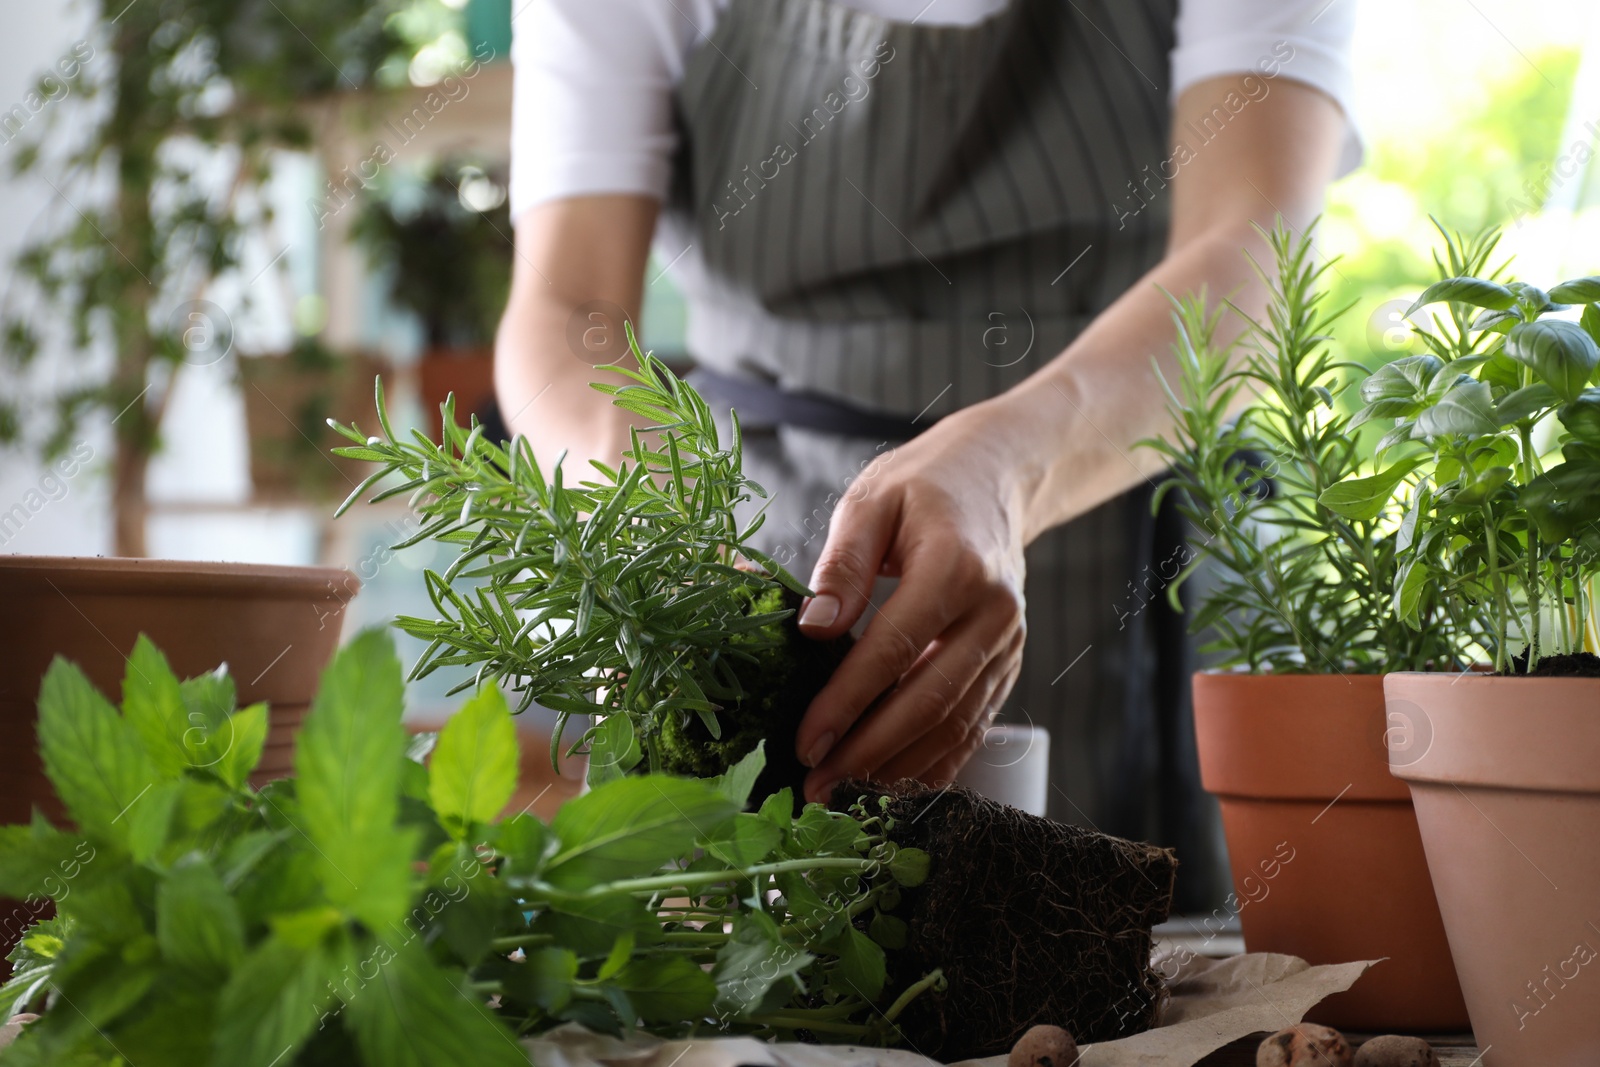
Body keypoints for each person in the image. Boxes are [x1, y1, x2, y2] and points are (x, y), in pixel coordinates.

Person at [496, 0, 1356, 869]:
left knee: (1180, 972)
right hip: (768, 533)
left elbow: (1252, 249)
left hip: (1141, 542)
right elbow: (567, 307)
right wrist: (660, 524)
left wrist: (1008, 465)